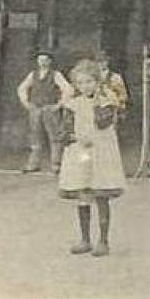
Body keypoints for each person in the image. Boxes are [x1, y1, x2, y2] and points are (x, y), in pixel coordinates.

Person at [58, 60, 126, 257]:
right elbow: (66, 127)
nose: (85, 86)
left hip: (100, 150)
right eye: (80, 83)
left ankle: (103, 240)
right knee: (83, 193)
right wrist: (72, 136)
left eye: (89, 82)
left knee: (100, 192)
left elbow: (103, 122)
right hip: (80, 150)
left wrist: (99, 100)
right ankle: (85, 239)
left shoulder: (106, 101)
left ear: (97, 82)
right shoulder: (73, 104)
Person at [16, 51, 72, 173]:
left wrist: (59, 105)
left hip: (49, 108)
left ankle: (56, 164)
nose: (42, 62)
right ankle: (33, 164)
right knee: (35, 137)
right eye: (40, 59)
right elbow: (22, 88)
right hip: (36, 109)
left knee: (55, 137)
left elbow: (68, 90)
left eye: (45, 59)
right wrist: (26, 103)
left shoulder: (56, 75)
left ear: (50, 61)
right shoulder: (33, 75)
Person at [93, 50, 130, 120]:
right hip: (96, 109)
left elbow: (123, 95)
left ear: (107, 62)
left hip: (112, 110)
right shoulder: (92, 78)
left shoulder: (115, 77)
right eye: (98, 62)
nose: (101, 64)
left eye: (103, 61)